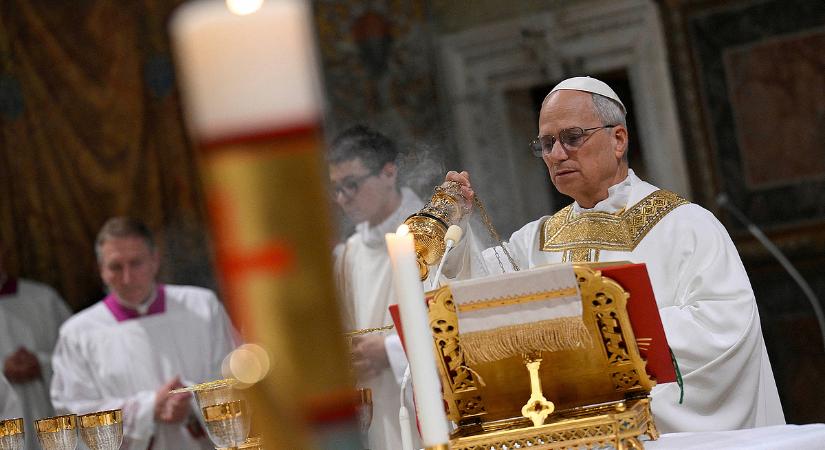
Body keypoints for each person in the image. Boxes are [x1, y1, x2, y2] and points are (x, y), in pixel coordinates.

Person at [442, 76, 785, 433]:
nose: (556, 155)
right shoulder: (535, 239)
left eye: (572, 138)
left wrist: (604, 336)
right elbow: (474, 302)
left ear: (618, 139)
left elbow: (726, 324)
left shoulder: (686, 225)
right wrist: (458, 230)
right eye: (546, 143)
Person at [51, 217, 237, 449]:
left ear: (155, 260)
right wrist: (149, 408)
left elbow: (235, 377)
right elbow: (73, 410)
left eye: (136, 263)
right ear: (101, 270)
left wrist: (191, 402)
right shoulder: (77, 334)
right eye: (115, 267)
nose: (127, 278)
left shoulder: (201, 307)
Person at [329, 125, 423, 450]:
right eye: (336, 189)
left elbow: (467, 320)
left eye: (351, 185)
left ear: (389, 171)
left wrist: (390, 350)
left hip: (425, 412)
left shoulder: (435, 235)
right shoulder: (347, 255)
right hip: (373, 415)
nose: (343, 199)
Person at [0, 241, 71, 448]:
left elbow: (79, 360)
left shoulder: (43, 299)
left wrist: (42, 364)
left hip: (49, 421)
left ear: (5, 251)